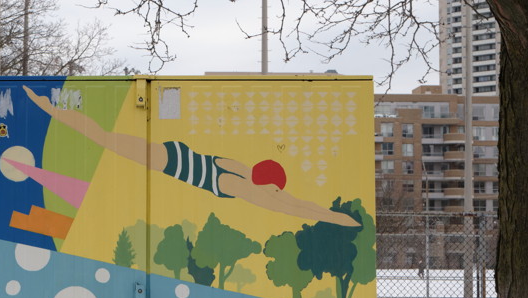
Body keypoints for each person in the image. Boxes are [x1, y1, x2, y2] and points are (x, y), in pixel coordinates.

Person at [23, 86, 360, 227]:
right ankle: (51, 109)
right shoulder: (242, 186)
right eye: (276, 189)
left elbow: (294, 203)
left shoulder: (244, 172)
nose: (278, 196)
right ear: (269, 184)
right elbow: (289, 205)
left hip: (174, 155)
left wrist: (331, 215)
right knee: (105, 140)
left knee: (106, 139)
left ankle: (52, 109)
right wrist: (334, 218)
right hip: (168, 162)